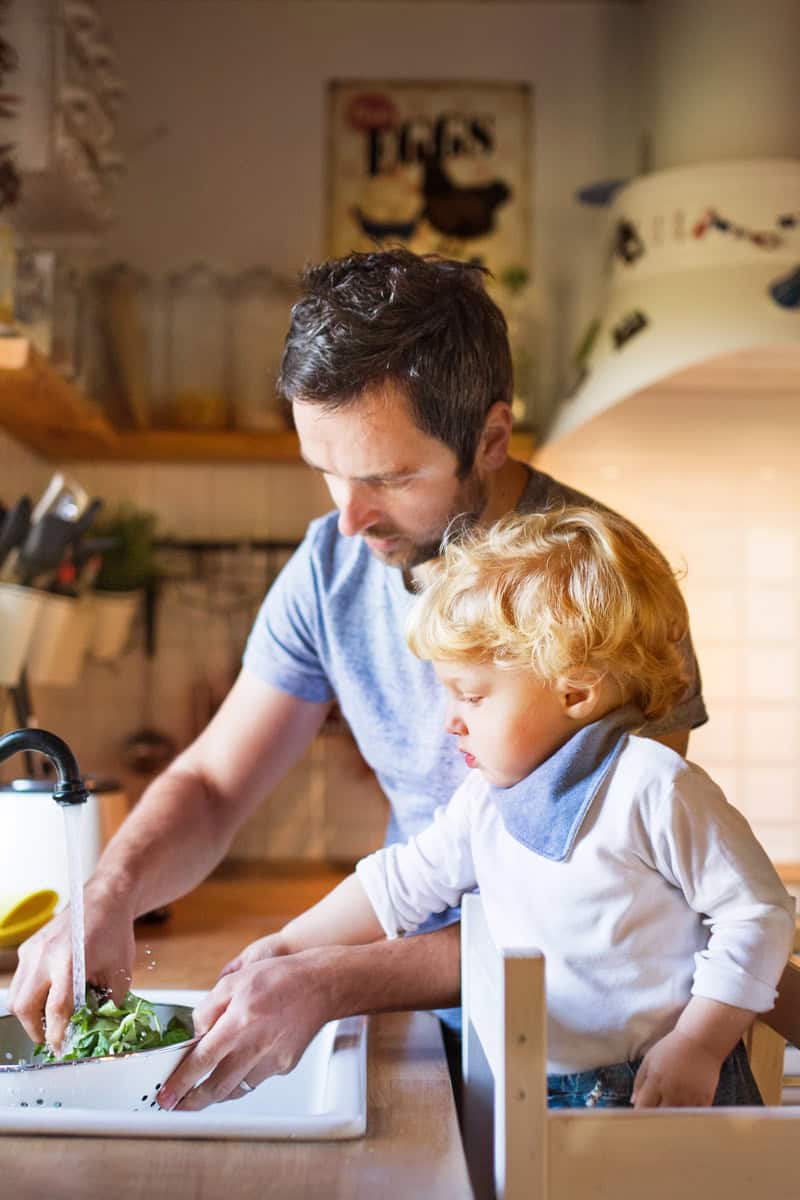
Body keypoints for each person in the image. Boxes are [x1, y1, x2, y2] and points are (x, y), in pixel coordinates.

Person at [8, 250, 707, 1112]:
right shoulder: (331, 564)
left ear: (490, 439)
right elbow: (214, 783)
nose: (349, 515)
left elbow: (602, 904)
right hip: (426, 1006)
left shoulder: (607, 588)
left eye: (388, 477)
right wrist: (107, 895)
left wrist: (337, 979)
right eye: (327, 470)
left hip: (596, 1045)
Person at [228, 507, 795, 1108]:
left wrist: (699, 1045)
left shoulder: (653, 787)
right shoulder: (489, 799)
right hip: (536, 1091)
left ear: (575, 693)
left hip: (662, 1085)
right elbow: (398, 884)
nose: (449, 720)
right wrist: (288, 946)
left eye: (470, 695)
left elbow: (759, 916)